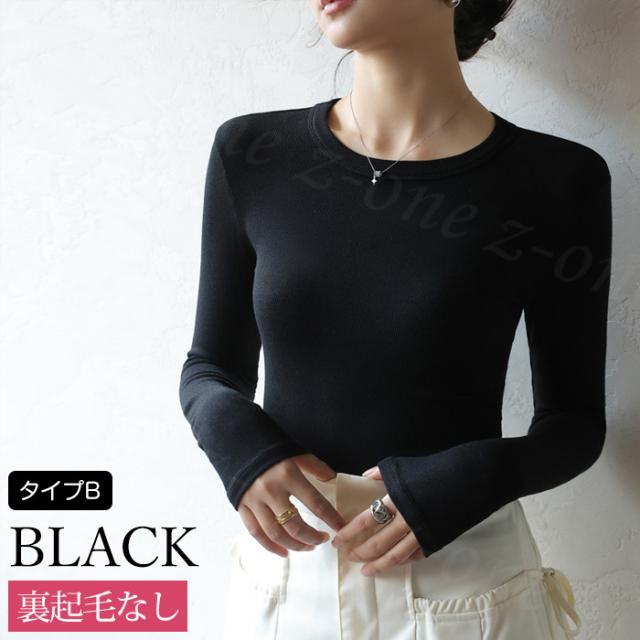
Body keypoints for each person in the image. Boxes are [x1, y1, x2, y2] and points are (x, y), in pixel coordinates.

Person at [178, 0, 612, 637]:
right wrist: (236, 442)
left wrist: (472, 478)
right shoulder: (252, 153)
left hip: (467, 580)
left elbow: (574, 424)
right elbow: (209, 367)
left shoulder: (557, 180)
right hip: (290, 578)